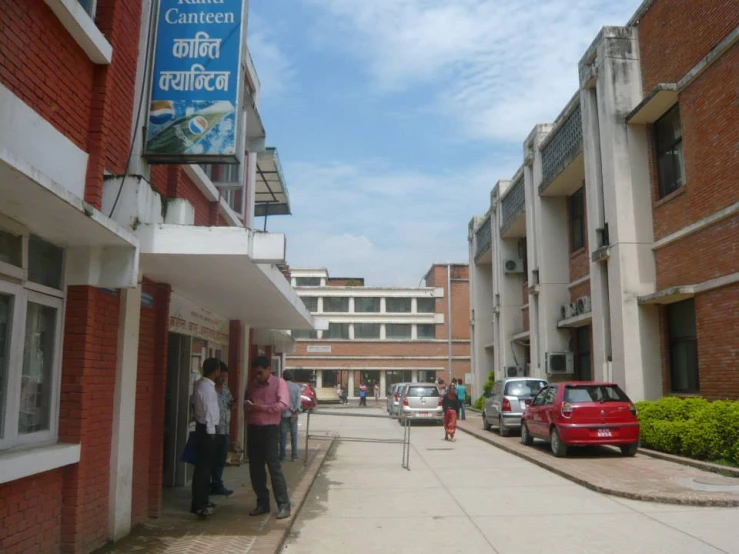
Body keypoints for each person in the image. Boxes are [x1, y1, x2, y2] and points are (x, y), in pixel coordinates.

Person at [244, 356, 292, 520]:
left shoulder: (279, 383)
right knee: (255, 468)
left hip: (270, 430)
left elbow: (283, 405)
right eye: (254, 374)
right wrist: (249, 406)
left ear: (268, 369)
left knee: (273, 467)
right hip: (253, 429)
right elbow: (248, 402)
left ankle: (284, 505)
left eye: (260, 373)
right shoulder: (252, 385)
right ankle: (262, 503)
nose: (257, 377)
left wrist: (261, 408)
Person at [191, 358, 221, 517]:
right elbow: (209, 411)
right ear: (215, 370)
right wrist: (211, 433)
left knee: (204, 468)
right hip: (206, 430)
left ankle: (201, 500)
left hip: (203, 427)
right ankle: (199, 504)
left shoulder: (200, 384)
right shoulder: (207, 388)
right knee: (203, 469)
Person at [211, 361, 235, 496]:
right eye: (221, 376)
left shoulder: (225, 389)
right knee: (211, 460)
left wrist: (232, 404)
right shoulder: (210, 389)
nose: (223, 379)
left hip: (225, 430)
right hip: (213, 431)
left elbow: (229, 402)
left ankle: (217, 484)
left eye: (225, 377)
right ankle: (211, 484)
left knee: (221, 459)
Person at [280, 371, 302, 462]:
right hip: (294, 414)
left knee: (283, 435)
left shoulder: (281, 386)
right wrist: (295, 411)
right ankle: (294, 455)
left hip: (284, 413)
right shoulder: (296, 387)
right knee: (294, 434)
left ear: (283, 377)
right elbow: (298, 401)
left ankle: (282, 455)